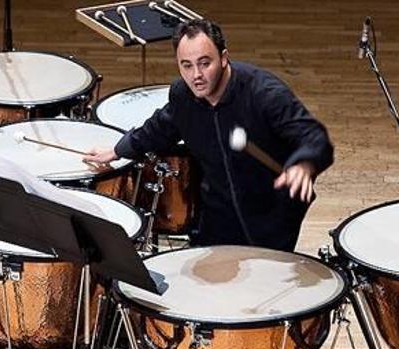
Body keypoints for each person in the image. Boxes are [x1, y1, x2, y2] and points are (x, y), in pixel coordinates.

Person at [84, 19, 333, 252]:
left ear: (224, 58)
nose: (196, 75)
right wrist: (117, 150)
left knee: (263, 286)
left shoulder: (264, 94)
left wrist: (304, 164)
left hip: (270, 215)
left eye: (205, 63)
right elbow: (160, 128)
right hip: (217, 211)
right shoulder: (183, 95)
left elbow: (315, 138)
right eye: (187, 65)